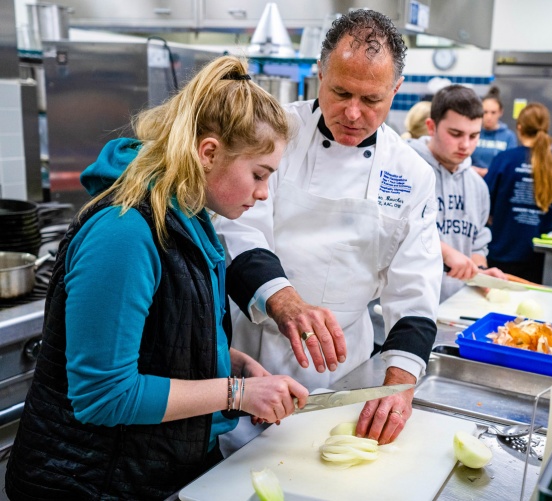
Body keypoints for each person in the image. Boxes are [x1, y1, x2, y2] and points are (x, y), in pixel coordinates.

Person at [4, 56, 309, 501]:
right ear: (208, 153)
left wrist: (228, 360)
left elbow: (162, 335)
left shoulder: (187, 217)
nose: (263, 193)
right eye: (259, 174)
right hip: (89, 483)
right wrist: (236, 392)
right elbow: (104, 395)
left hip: (152, 473)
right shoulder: (124, 232)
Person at [214, 9, 442, 449]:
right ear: (319, 73)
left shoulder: (411, 173)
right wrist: (285, 302)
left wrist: (399, 383)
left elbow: (415, 290)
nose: (353, 113)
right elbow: (238, 230)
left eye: (372, 100)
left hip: (339, 374)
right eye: (340, 92)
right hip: (246, 359)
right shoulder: (274, 131)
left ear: (396, 91)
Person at [406, 84, 505, 302]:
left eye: (474, 135)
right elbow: (395, 228)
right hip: (402, 309)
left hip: (454, 306)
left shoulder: (477, 186)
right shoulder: (405, 168)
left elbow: (478, 241)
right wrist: (447, 253)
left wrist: (479, 272)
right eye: (456, 134)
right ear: (431, 127)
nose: (466, 145)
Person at [485, 102, 552, 284]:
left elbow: (484, 207)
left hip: (502, 255)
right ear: (546, 128)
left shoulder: (504, 160)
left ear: (519, 128)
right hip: (542, 262)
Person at [471, 86, 518, 177]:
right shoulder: (472, 132)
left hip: (497, 183)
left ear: (500, 112)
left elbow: (510, 165)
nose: (489, 117)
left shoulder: (509, 136)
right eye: (485, 112)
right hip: (472, 180)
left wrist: (489, 173)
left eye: (493, 112)